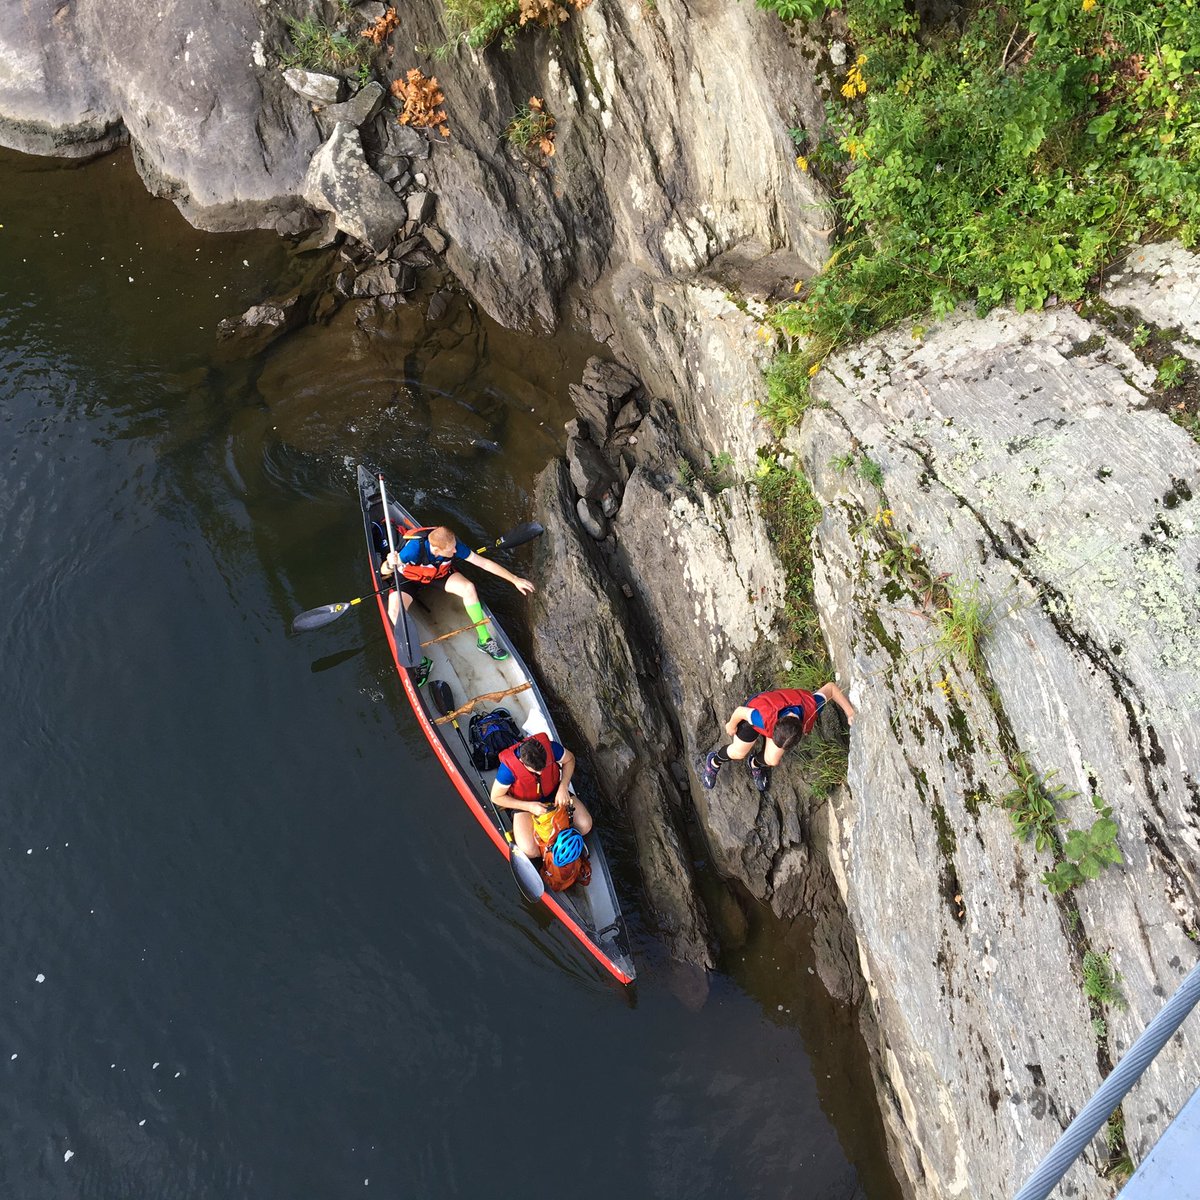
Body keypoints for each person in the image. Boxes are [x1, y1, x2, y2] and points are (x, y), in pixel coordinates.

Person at [377, 523, 534, 663]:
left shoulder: (454, 545)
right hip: (409, 579)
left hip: (439, 575)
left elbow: (484, 563)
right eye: (450, 549)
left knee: (468, 588)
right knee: (395, 611)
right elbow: (384, 569)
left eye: (454, 546)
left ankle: (484, 640)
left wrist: (514, 579)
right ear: (437, 549)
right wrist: (391, 564)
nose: (455, 550)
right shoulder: (412, 550)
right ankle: (421, 661)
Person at [702, 682, 856, 794]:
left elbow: (830, 689)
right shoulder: (760, 717)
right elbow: (741, 712)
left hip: (777, 720)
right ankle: (714, 760)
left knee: (773, 760)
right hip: (757, 709)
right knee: (738, 752)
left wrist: (849, 712)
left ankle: (755, 763)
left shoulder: (810, 707)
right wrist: (731, 724)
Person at [490, 733, 593, 889]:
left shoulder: (550, 748)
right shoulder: (508, 769)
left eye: (542, 768)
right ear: (523, 763)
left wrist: (564, 786)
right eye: (535, 771)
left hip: (553, 793)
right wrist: (530, 807)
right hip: (525, 803)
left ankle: (564, 843)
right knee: (529, 850)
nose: (540, 773)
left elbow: (570, 759)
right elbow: (496, 797)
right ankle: (550, 853)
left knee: (585, 825)